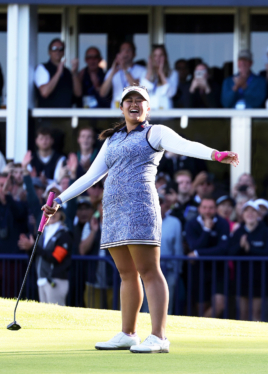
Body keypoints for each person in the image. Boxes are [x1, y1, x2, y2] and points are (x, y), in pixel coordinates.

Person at [42, 84, 239, 353]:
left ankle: (158, 337)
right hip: (113, 212)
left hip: (140, 209)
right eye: (128, 101)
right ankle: (128, 333)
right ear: (120, 107)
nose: (134, 104)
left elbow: (185, 145)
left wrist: (215, 155)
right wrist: (59, 200)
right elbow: (91, 176)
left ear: (148, 107)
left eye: (140, 101)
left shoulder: (155, 132)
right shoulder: (112, 139)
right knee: (126, 274)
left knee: (148, 271)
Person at [185, 197, 231, 318]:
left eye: (211, 208)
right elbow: (193, 245)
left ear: (215, 209)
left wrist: (198, 254)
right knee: (201, 307)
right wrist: (206, 230)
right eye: (204, 207)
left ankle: (196, 328)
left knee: (219, 305)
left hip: (219, 270)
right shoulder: (191, 224)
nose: (207, 211)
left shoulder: (223, 223)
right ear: (199, 209)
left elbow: (223, 249)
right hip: (199, 271)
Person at [19, 207, 73, 305]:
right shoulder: (42, 234)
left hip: (56, 281)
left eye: (56, 211)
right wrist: (29, 248)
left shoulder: (65, 234)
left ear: (61, 214)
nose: (53, 214)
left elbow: (56, 258)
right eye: (49, 212)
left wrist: (34, 247)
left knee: (56, 317)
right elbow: (37, 258)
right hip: (42, 280)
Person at [230, 201, 268, 321]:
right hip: (241, 278)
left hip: (259, 279)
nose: (250, 213)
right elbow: (230, 252)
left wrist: (250, 248)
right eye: (247, 211)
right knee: (242, 313)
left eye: (253, 211)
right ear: (242, 214)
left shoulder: (265, 231)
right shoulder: (238, 232)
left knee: (257, 313)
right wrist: (240, 245)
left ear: (258, 214)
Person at [34, 38, 81, 108]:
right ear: (49, 52)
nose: (58, 51)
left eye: (61, 49)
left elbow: (78, 93)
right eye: (54, 48)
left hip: (66, 116)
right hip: (47, 116)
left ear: (63, 52)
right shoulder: (42, 68)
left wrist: (74, 73)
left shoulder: (67, 71)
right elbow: (44, 92)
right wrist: (58, 72)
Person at [100, 41, 146, 109]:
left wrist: (124, 69)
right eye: (123, 50)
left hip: (135, 111)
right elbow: (102, 93)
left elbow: (138, 91)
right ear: (119, 54)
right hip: (116, 111)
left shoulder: (142, 70)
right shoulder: (113, 70)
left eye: (129, 50)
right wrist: (112, 72)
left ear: (134, 54)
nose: (126, 52)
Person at [159, 191, 183, 314]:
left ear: (166, 205)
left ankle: (162, 332)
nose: (158, 205)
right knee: (146, 306)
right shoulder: (141, 222)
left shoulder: (175, 222)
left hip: (168, 271)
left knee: (167, 306)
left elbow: (178, 249)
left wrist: (176, 272)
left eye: (161, 202)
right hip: (145, 271)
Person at [140, 44, 178, 110]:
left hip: (166, 112)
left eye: (161, 55)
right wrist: (149, 71)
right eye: (155, 56)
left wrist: (161, 73)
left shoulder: (173, 73)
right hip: (148, 113)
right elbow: (141, 92)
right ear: (151, 58)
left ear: (165, 57)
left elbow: (171, 93)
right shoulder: (145, 73)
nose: (158, 58)